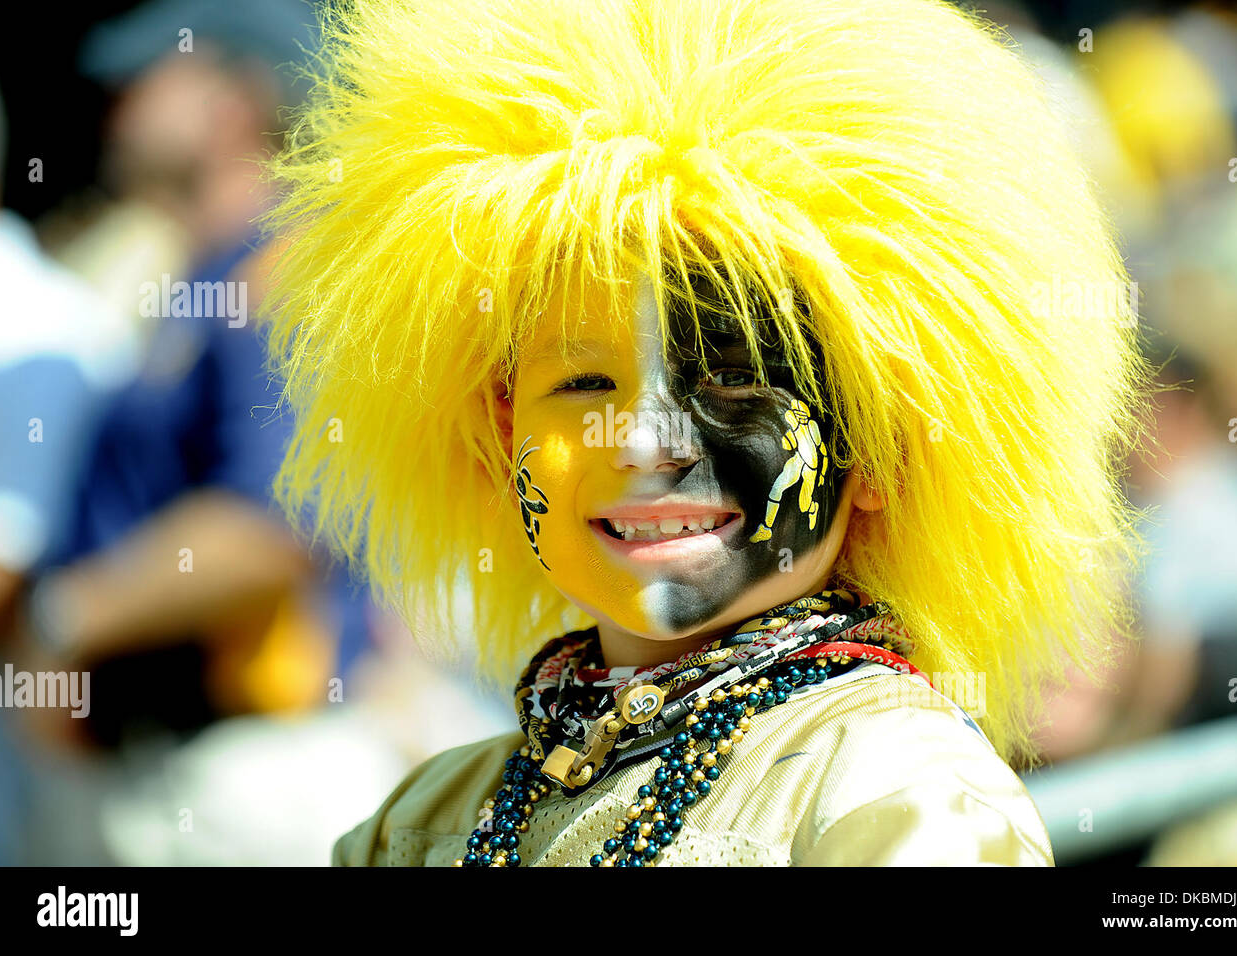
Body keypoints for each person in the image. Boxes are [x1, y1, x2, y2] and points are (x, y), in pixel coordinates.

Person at [260, 0, 1152, 866]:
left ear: (879, 443)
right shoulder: (422, 824)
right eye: (583, 383)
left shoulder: (897, 793)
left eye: (734, 381)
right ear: (502, 430)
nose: (645, 442)